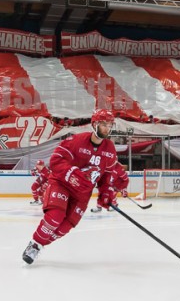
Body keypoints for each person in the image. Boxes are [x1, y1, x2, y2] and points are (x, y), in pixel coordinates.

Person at [22, 109, 118, 264]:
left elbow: (106, 176)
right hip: (62, 184)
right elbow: (56, 160)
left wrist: (105, 194)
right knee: (55, 217)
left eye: (110, 124)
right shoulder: (76, 140)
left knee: (65, 227)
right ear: (94, 124)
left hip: (82, 194)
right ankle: (35, 244)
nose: (107, 128)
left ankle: (40, 245)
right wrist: (72, 173)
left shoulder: (110, 150)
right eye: (103, 124)